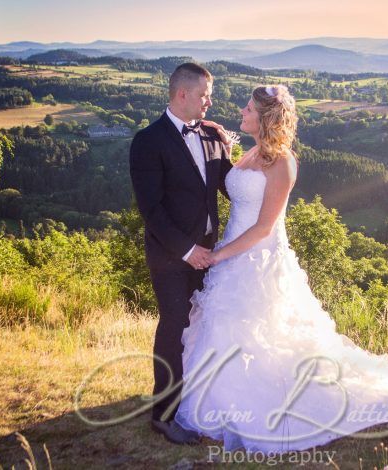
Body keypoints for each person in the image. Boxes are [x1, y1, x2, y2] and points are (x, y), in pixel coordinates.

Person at [172, 84, 388, 453]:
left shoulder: (283, 162)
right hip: (233, 259)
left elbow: (264, 227)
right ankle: (219, 402)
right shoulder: (251, 153)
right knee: (226, 330)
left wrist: (219, 255)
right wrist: (224, 148)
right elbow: (238, 188)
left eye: (248, 109)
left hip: (256, 260)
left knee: (263, 336)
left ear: (265, 118)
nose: (241, 113)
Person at [129, 62, 233, 445]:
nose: (210, 101)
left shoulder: (211, 134)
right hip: (171, 256)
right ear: (183, 94)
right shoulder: (148, 141)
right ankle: (164, 414)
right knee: (174, 326)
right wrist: (187, 251)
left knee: (205, 324)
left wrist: (264, 173)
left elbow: (228, 185)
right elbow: (151, 209)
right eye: (205, 94)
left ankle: (196, 398)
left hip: (209, 252)